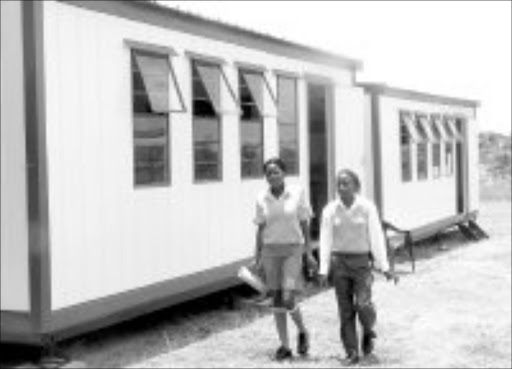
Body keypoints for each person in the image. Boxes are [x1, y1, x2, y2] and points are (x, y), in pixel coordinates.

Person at [318, 169, 393, 365]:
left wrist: (384, 266)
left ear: (356, 186)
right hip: (339, 264)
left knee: (363, 304)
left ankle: (368, 330)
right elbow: (325, 240)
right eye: (339, 184)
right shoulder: (330, 210)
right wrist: (323, 269)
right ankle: (351, 351)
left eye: (346, 183)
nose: (341, 187)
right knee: (345, 310)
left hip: (361, 263)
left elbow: (376, 238)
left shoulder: (367, 207)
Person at [254, 157, 317, 361]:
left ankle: (302, 331)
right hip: (270, 252)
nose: (272, 176)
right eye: (269, 173)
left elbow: (305, 224)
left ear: (284, 173)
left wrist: (308, 253)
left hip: (292, 251)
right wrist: (257, 256)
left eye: (276, 172)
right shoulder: (261, 198)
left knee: (288, 296)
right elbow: (261, 229)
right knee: (277, 300)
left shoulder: (297, 193)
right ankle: (285, 346)